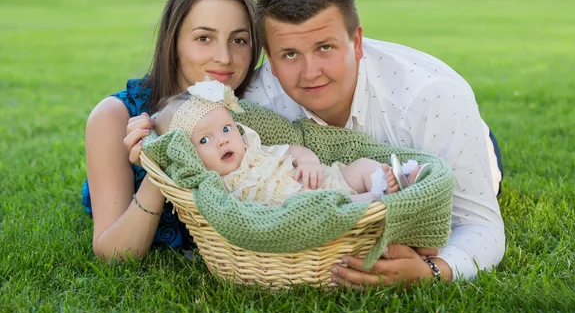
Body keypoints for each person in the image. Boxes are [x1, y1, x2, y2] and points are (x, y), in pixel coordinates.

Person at [243, 0, 505, 287]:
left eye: (325, 47)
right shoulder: (256, 101)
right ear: (269, 57)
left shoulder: (432, 97)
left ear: (356, 42)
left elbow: (481, 226)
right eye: (290, 54)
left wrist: (431, 272)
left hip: (446, 136)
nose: (310, 72)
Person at [83, 0, 261, 261]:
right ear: (173, 43)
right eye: (204, 38)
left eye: (239, 40)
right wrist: (159, 167)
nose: (225, 57)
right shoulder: (117, 116)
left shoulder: (252, 107)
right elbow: (114, 255)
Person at [151, 80, 429, 205]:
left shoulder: (254, 149)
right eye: (204, 140)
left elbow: (292, 149)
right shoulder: (218, 188)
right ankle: (377, 198)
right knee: (328, 207)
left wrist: (307, 161)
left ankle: (392, 179)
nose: (223, 141)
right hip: (307, 208)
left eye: (226, 129)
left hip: (323, 180)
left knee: (363, 165)